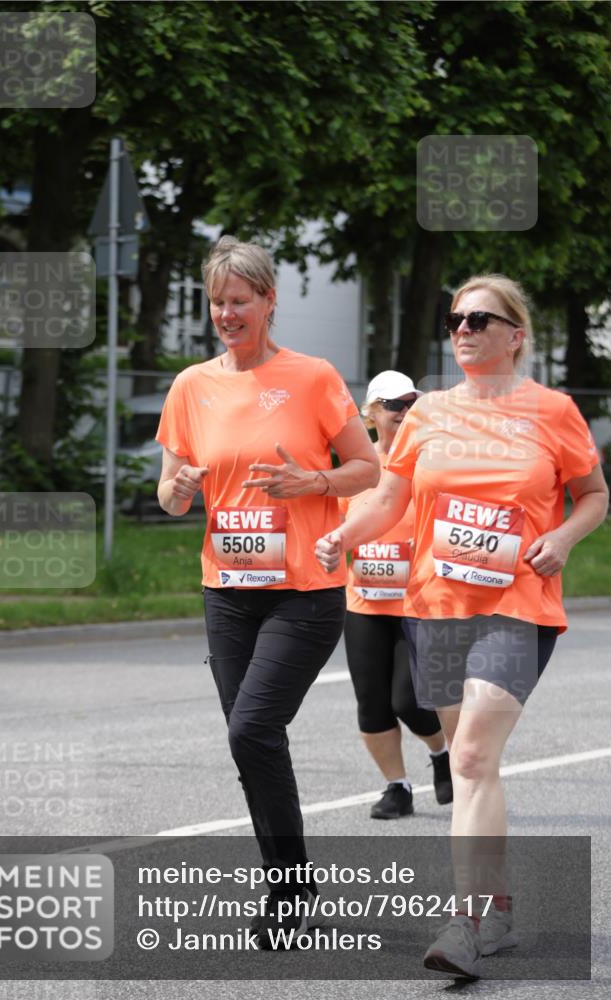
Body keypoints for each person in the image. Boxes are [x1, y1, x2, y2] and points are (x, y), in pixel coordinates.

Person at [315, 274, 608, 978]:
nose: (464, 330)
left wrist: (563, 537)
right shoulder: (428, 413)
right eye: (455, 321)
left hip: (518, 605)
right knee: (476, 764)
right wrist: (344, 536)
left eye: (480, 319)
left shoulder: (552, 410)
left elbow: (593, 495)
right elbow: (390, 497)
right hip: (436, 608)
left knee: (470, 756)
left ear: (515, 335)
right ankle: (496, 912)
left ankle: (468, 922)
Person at [156, 235, 379, 948]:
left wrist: (313, 481)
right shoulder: (191, 386)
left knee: (251, 729)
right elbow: (169, 495)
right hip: (226, 590)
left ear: (268, 301)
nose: (227, 313)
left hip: (303, 591)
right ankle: (293, 887)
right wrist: (178, 488)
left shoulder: (311, 377)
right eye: (217, 301)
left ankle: (287, 892)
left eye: (239, 300)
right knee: (252, 742)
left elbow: (367, 468)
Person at [340, 370, 453, 820]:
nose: (405, 412)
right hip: (364, 603)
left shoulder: (431, 463)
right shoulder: (358, 467)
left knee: (407, 700)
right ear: (371, 414)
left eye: (412, 403)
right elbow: (335, 524)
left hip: (417, 603)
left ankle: (441, 751)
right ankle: (397, 787)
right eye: (394, 405)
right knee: (372, 704)